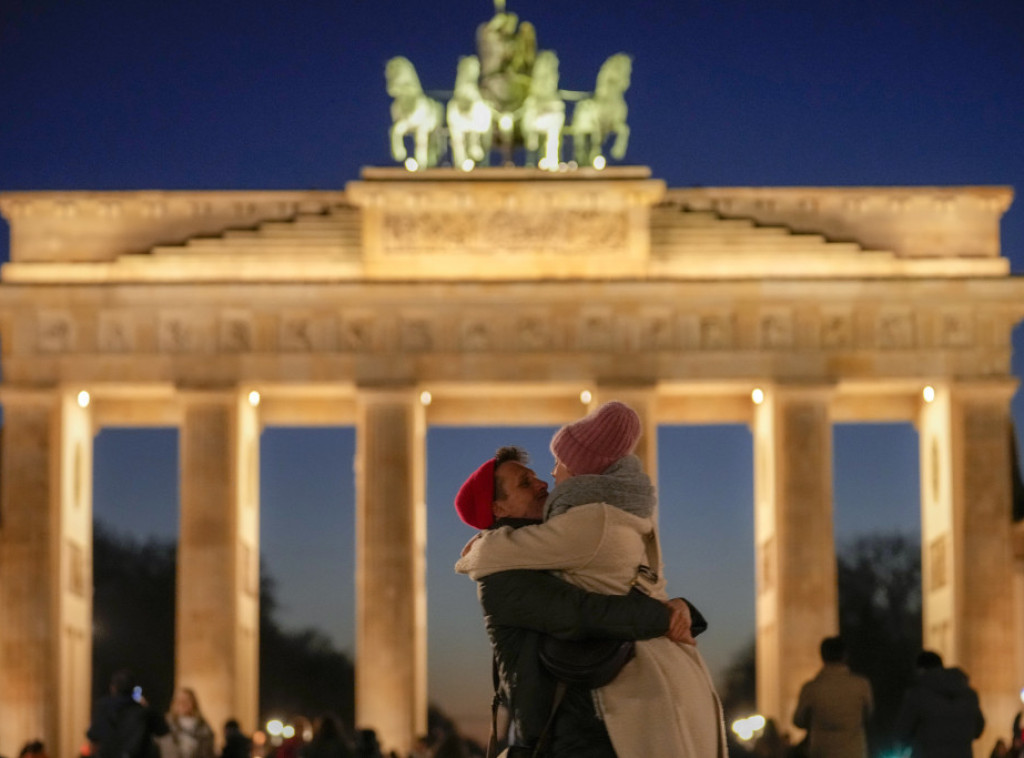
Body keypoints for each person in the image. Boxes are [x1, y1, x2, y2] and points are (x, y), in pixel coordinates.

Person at [456, 400, 727, 757]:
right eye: (525, 482)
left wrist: (676, 609)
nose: (542, 481)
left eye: (540, 472)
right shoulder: (505, 574)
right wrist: (667, 615)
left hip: (586, 714)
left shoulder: (562, 537)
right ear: (498, 509)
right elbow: (581, 612)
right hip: (557, 729)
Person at [893, 650, 985, 757]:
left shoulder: (918, 695)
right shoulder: (969, 695)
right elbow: (979, 728)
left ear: (921, 670)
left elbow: (902, 732)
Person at [792, 636, 873, 758]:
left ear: (822, 656)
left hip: (822, 751)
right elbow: (868, 714)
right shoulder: (861, 685)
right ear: (845, 655)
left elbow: (798, 720)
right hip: (853, 751)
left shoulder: (811, 688)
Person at [87, 669, 170, 758]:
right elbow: (163, 730)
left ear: (113, 687)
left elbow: (93, 734)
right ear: (133, 689)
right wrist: (147, 707)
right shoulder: (143, 712)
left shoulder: (103, 708)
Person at [165, 688, 215, 758]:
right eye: (179, 700)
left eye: (186, 700)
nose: (182, 703)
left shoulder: (203, 728)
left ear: (193, 703)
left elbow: (208, 752)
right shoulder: (166, 726)